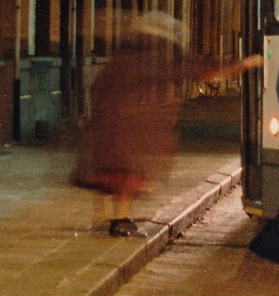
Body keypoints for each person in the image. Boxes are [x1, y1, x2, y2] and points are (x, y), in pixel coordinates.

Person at [72, 12, 263, 236]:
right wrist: (246, 63)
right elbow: (200, 69)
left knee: (107, 172)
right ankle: (120, 221)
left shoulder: (121, 57)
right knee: (128, 175)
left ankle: (102, 216)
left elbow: (97, 87)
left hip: (108, 126)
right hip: (133, 128)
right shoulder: (160, 58)